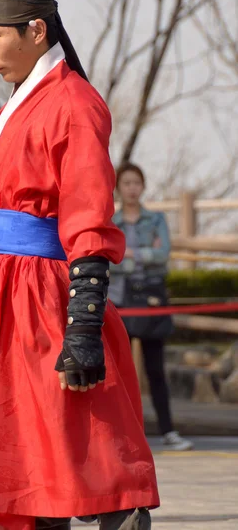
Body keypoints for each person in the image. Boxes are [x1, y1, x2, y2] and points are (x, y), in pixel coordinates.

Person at [0, 0, 159, 530]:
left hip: (40, 295)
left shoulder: (73, 104)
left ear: (36, 31)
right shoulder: (20, 104)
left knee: (60, 444)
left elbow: (89, 212)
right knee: (13, 454)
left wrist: (84, 323)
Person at [109, 162, 193, 451]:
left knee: (156, 369)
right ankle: (122, 433)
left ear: (143, 186)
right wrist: (138, 257)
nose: (132, 188)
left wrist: (129, 255)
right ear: (118, 187)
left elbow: (163, 254)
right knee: (118, 371)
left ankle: (168, 430)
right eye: (127, 183)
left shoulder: (155, 219)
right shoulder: (111, 220)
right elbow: (110, 258)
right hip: (120, 300)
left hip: (152, 300)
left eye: (137, 183)